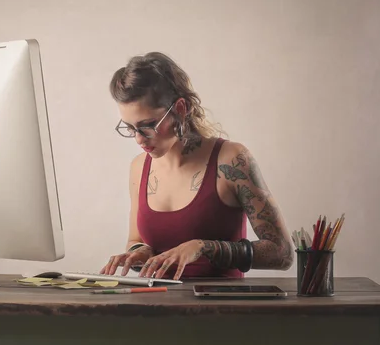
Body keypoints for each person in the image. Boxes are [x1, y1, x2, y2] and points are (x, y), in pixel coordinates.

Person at [100, 52, 294, 280]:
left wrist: (204, 247)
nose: (139, 140)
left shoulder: (231, 159)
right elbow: (135, 240)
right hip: (154, 308)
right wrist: (138, 252)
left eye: (148, 125)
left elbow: (282, 253)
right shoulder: (139, 167)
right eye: (131, 128)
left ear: (180, 109)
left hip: (220, 310)